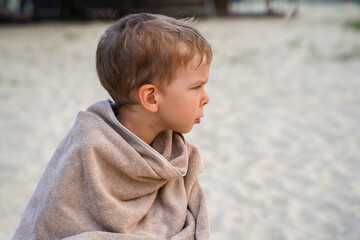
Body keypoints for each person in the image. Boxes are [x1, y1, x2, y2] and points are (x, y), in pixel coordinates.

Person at [13, 13, 212, 240]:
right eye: (197, 86)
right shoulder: (88, 148)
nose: (206, 98)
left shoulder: (176, 153)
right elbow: (51, 223)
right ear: (151, 98)